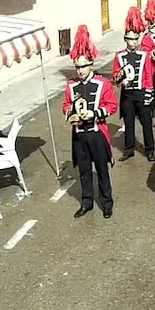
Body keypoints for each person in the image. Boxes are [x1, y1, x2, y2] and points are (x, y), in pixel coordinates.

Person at [62, 26, 118, 219]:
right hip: (79, 134)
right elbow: (66, 105)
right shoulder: (71, 85)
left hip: (97, 133)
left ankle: (107, 202)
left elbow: (112, 106)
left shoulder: (103, 83)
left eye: (83, 66)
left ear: (91, 65)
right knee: (84, 171)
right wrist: (69, 111)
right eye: (77, 67)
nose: (80, 70)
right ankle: (87, 203)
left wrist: (93, 114)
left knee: (102, 170)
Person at [113, 7, 155, 163]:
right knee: (128, 123)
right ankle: (129, 149)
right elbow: (115, 75)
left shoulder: (145, 55)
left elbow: (148, 75)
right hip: (127, 95)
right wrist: (120, 80)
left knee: (146, 123)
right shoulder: (119, 56)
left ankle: (150, 150)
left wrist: (149, 93)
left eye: (136, 39)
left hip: (141, 93)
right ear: (126, 39)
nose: (134, 42)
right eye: (131, 39)